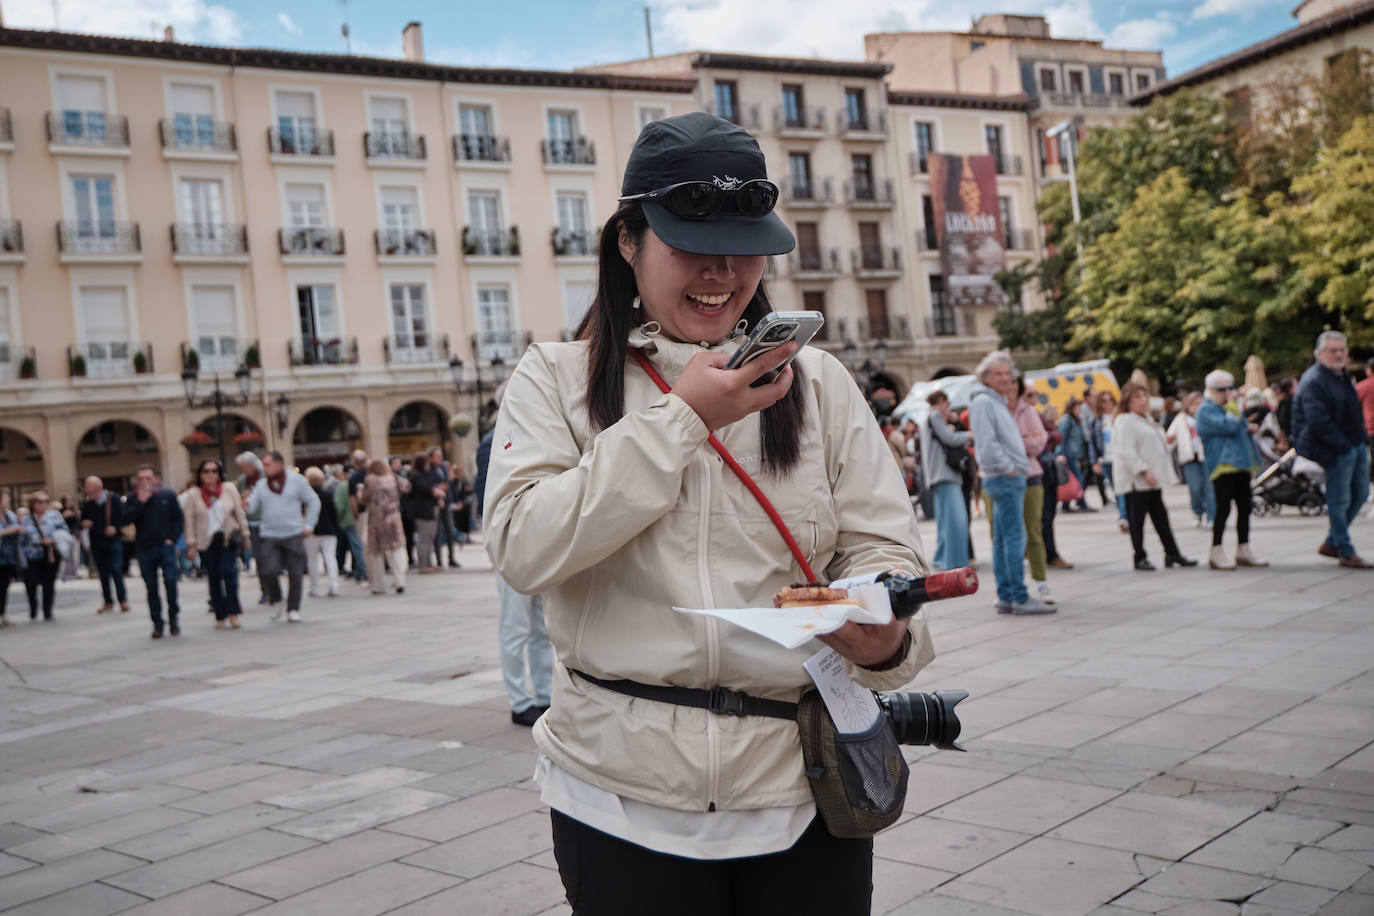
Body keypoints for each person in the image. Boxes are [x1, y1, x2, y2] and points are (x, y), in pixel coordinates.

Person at [485, 112, 934, 913]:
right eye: (693, 245)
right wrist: (684, 417)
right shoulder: (553, 378)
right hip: (617, 791)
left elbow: (882, 546)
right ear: (628, 241)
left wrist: (886, 629)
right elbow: (523, 547)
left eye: (744, 246)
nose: (722, 273)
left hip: (803, 789)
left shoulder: (822, 385)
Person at [477, 381, 555, 727]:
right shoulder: (492, 441)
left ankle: (545, 694)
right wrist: (496, 543)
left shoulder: (538, 432)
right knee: (514, 628)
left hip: (543, 544)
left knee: (542, 627)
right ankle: (519, 700)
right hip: (512, 545)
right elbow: (486, 494)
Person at [969, 351, 1054, 616]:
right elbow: (987, 445)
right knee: (1014, 539)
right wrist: (1011, 469)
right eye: (999, 374)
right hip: (1005, 478)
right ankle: (1018, 596)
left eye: (1008, 373)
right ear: (986, 377)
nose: (1006, 378)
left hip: (1005, 477)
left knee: (1004, 540)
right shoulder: (985, 402)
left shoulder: (994, 401)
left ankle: (1007, 596)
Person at [1293, 331, 1370, 568]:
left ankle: (1332, 542)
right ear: (1320, 353)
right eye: (1333, 351)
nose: (1338, 355)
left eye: (1341, 350)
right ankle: (1344, 550)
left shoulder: (1341, 375)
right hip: (1335, 447)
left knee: (1361, 493)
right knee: (1339, 499)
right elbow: (1318, 422)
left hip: (1353, 443)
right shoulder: (1314, 380)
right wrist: (1344, 446)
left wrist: (1359, 440)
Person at [1112, 383, 1197, 571]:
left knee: (1161, 518)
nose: (1143, 400)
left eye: (1145, 395)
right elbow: (1127, 451)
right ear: (1127, 401)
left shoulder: (1146, 419)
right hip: (1137, 481)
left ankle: (1172, 553)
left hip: (1152, 480)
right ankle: (1139, 556)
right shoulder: (1125, 421)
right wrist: (1144, 471)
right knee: (1137, 521)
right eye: (1138, 397)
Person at [1196, 370, 1267, 571]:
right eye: (1222, 389)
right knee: (1223, 509)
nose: (1228, 393)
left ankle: (1243, 548)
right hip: (1223, 465)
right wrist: (1234, 406)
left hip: (1241, 463)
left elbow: (1240, 425)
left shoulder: (1226, 407)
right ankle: (1216, 550)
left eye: (1230, 388)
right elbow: (1230, 426)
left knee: (1245, 507)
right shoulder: (1205, 410)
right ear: (1211, 390)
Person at [245, 451, 319, 623]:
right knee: (268, 570)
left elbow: (313, 501)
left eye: (267, 464)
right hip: (269, 534)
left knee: (295, 572)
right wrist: (247, 504)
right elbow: (252, 507)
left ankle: (293, 608)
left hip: (293, 533)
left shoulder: (296, 480)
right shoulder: (261, 485)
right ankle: (277, 599)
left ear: (278, 464)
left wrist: (309, 525)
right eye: (264, 465)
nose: (265, 468)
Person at [184, 458, 248, 629]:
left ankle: (233, 612)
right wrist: (191, 544)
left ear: (219, 473)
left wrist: (245, 534)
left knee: (229, 573)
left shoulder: (229, 489)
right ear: (200, 474)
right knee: (214, 578)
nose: (210, 474)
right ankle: (220, 614)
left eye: (214, 471)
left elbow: (239, 513)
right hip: (206, 542)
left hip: (227, 538)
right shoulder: (193, 494)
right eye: (206, 471)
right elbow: (189, 521)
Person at [122, 466, 185, 638]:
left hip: (165, 547)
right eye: (141, 479)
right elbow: (124, 519)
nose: (145, 482)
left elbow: (178, 518)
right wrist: (140, 503)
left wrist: (172, 538)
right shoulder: (133, 498)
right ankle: (157, 623)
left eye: (148, 478)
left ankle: (174, 619)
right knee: (151, 587)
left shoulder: (167, 495)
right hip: (144, 548)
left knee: (170, 581)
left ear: (156, 479)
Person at [1013, 379, 1055, 605]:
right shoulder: (997, 409)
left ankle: (1041, 582)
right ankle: (1012, 586)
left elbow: (1040, 441)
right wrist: (1023, 440)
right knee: (1007, 536)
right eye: (1029, 394)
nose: (1033, 399)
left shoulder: (1029, 412)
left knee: (1034, 531)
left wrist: (1017, 442)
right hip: (1004, 477)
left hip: (1031, 475)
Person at [921, 391, 971, 571]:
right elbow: (948, 438)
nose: (948, 407)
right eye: (947, 404)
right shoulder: (935, 416)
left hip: (938, 475)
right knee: (957, 521)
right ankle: (956, 561)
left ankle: (942, 558)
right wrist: (967, 435)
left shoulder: (929, 418)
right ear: (941, 402)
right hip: (945, 473)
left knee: (945, 522)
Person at [80, 476, 129, 613]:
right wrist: (84, 523)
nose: (85, 490)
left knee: (116, 569)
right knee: (102, 572)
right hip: (97, 541)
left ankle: (123, 600)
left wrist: (115, 528)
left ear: (97, 487)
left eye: (87, 487)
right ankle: (108, 601)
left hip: (113, 540)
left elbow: (124, 517)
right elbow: (81, 521)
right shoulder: (88, 504)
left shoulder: (114, 499)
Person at [1167, 392, 1216, 527]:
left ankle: (1212, 516)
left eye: (1200, 403)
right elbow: (1170, 437)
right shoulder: (1180, 419)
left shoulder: (1208, 417)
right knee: (1194, 488)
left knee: (1209, 488)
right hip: (1189, 458)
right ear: (1188, 406)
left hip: (1206, 457)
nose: (1198, 407)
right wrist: (1169, 442)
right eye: (1195, 404)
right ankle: (1198, 511)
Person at [359, 458, 407, 594]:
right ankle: (400, 581)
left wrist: (360, 493)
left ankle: (379, 585)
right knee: (396, 550)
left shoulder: (371, 480)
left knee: (377, 552)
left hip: (377, 519)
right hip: (393, 518)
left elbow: (364, 499)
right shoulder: (393, 477)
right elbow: (406, 486)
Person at [20, 492, 65, 621]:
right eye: (40, 502)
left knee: (48, 583)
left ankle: (47, 611)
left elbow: (64, 531)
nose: (43, 505)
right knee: (30, 584)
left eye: (46, 501)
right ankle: (33, 606)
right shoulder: (26, 519)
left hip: (49, 554)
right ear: (33, 504)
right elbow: (21, 539)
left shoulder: (54, 516)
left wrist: (52, 539)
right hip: (31, 555)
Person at [1038, 405, 1073, 570]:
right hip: (1038, 470)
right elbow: (1039, 443)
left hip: (1048, 467)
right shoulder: (1034, 417)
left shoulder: (1040, 419)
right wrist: (1047, 438)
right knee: (1045, 514)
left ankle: (1048, 552)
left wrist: (1047, 436)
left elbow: (1058, 436)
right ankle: (1049, 554)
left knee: (1049, 512)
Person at [236, 452, 272, 605]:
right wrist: (243, 497)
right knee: (259, 558)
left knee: (270, 557)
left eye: (246, 467)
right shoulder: (242, 480)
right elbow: (238, 500)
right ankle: (265, 590)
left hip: (267, 521)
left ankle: (273, 588)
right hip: (252, 523)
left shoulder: (265, 477)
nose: (244, 470)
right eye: (242, 467)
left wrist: (254, 495)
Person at [1093, 390, 1128, 532]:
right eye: (1104, 401)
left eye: (1110, 400)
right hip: (1105, 459)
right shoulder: (1098, 420)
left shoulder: (1119, 417)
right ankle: (1124, 515)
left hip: (1119, 458)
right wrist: (1094, 461)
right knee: (1116, 489)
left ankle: (1124, 516)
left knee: (1121, 488)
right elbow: (1093, 442)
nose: (1107, 403)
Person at [303, 466, 341, 597]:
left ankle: (315, 587)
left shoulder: (306, 498)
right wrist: (335, 528)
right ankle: (334, 586)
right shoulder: (328, 495)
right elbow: (334, 513)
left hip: (311, 531)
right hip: (328, 530)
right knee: (330, 558)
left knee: (312, 560)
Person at [406, 452, 442, 573]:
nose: (428, 465)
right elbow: (427, 489)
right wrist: (436, 491)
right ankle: (423, 565)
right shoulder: (416, 476)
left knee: (430, 538)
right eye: (427, 462)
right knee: (423, 539)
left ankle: (429, 563)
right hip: (422, 511)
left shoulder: (426, 474)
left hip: (429, 509)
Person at [1056, 399, 1091, 512]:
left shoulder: (1075, 420)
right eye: (1077, 408)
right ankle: (1082, 504)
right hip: (1068, 455)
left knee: (1071, 481)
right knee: (1078, 479)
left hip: (1074, 454)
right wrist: (1060, 453)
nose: (1079, 410)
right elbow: (1062, 437)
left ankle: (1066, 505)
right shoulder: (1067, 420)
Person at [0, 492, 20, 626]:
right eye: (6, 498)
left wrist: (18, 529)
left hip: (9, 556)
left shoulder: (10, 515)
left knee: (4, 586)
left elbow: (18, 527)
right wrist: (6, 532)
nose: (8, 501)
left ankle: (3, 614)